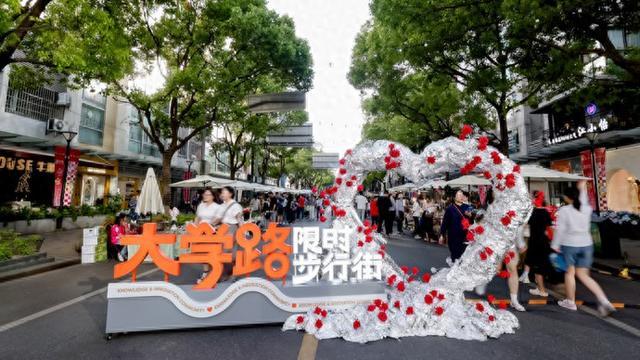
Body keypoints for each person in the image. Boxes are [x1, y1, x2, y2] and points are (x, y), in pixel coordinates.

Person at [552, 181, 615, 316]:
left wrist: (555, 245)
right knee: (584, 276)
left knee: (570, 273)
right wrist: (582, 187)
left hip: (570, 244)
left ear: (567, 198)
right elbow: (583, 199)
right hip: (586, 244)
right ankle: (604, 301)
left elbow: (560, 230)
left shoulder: (564, 211)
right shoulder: (586, 208)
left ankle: (570, 302)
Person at [213, 186, 244, 282]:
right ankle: (224, 274)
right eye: (221, 192)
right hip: (222, 229)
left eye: (224, 192)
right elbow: (217, 219)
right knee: (222, 252)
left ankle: (233, 274)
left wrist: (243, 232)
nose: (222, 194)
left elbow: (239, 219)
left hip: (232, 229)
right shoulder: (222, 205)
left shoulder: (235, 206)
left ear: (230, 194)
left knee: (229, 252)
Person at [526, 191, 554, 298]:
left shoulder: (534, 213)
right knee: (539, 265)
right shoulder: (546, 213)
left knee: (537, 267)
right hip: (544, 241)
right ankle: (539, 288)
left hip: (535, 242)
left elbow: (526, 225)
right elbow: (550, 229)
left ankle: (542, 290)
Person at [194, 188, 220, 283]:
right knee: (203, 253)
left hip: (212, 233)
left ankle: (214, 273)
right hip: (201, 233)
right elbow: (197, 218)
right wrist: (195, 228)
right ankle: (205, 273)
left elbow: (219, 220)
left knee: (211, 253)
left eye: (208, 194)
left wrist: (210, 225)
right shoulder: (201, 205)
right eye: (204, 194)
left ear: (213, 196)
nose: (205, 196)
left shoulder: (217, 207)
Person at [439, 189, 472, 261]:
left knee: (464, 257)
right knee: (455, 256)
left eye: (462, 195)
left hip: (465, 236)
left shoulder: (467, 207)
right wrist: (442, 235)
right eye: (459, 195)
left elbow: (473, 221)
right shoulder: (450, 209)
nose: (461, 196)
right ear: (454, 197)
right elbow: (445, 223)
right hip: (453, 237)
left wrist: (470, 216)